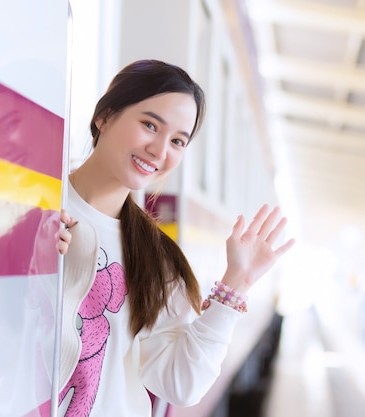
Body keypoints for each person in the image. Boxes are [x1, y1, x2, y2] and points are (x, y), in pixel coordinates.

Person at [49, 59, 296, 417]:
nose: (160, 151)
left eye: (178, 141)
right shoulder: (39, 209)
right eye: (150, 124)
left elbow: (181, 385)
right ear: (104, 116)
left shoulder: (158, 260)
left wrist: (235, 285)